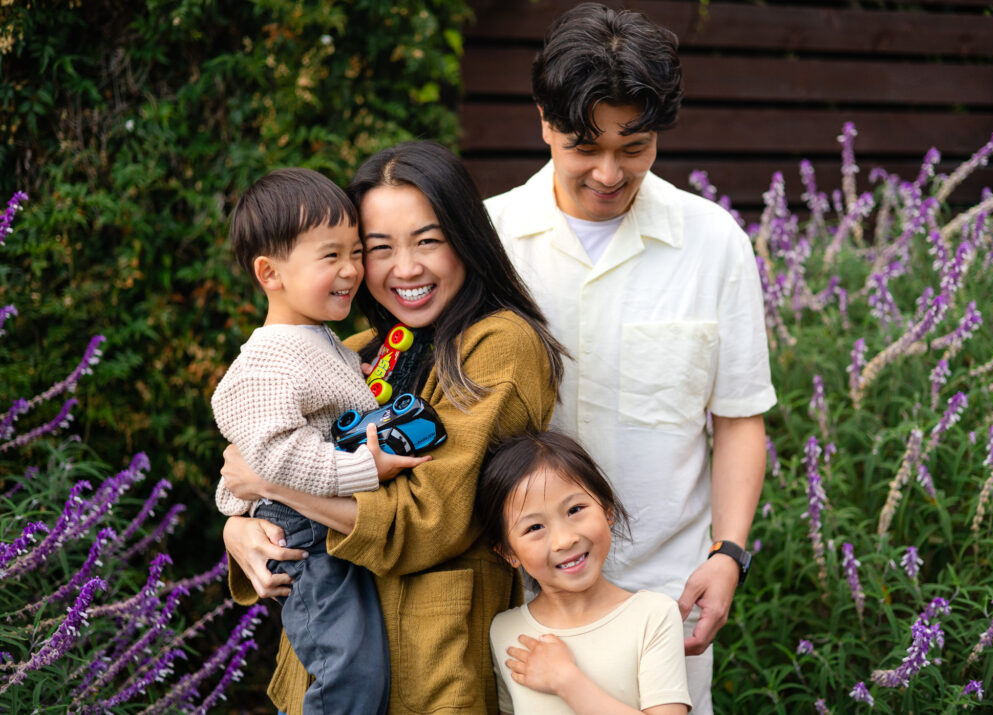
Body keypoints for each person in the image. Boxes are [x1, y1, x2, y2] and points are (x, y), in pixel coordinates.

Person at [484, 4, 777, 711]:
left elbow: (739, 418)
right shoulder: (486, 240)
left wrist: (728, 554)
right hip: (510, 607)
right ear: (545, 121)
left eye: (635, 147)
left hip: (663, 597)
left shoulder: (713, 243)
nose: (610, 173)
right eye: (585, 146)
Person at [219, 141, 568, 714]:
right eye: (377, 248)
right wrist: (238, 527)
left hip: (430, 670)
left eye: (428, 240)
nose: (404, 269)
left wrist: (275, 488)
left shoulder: (500, 345)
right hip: (317, 677)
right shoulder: (354, 352)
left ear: (466, 238)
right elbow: (252, 459)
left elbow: (433, 519)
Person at [212, 167, 429, 714]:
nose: (352, 270)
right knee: (348, 673)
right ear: (270, 272)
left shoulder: (317, 339)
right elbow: (275, 453)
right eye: (330, 256)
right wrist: (366, 466)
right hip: (304, 538)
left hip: (320, 525)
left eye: (356, 253)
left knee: (359, 669)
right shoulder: (267, 360)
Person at [477, 431, 691, 714]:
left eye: (575, 509)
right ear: (508, 552)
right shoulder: (504, 631)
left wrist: (567, 680)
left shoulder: (653, 616)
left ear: (607, 510)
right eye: (534, 528)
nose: (565, 540)